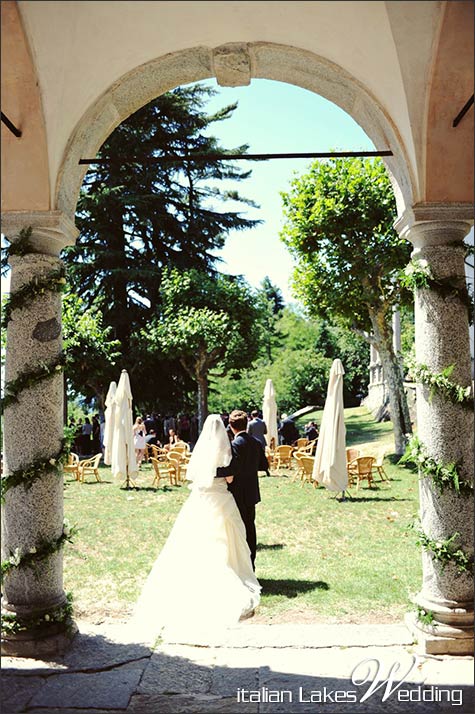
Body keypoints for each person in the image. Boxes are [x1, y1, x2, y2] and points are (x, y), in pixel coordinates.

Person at [131, 414, 260, 644]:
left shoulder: (200, 451)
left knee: (196, 537)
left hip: (201, 499)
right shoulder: (226, 450)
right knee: (227, 537)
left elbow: (195, 474)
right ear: (224, 429)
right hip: (221, 498)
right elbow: (230, 478)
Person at [217, 409, 269, 569]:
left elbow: (232, 469)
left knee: (239, 529)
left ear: (231, 426)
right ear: (246, 424)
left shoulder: (235, 445)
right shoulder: (256, 443)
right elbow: (264, 465)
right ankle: (250, 562)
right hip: (251, 491)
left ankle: (243, 564)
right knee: (250, 527)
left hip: (237, 492)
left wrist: (214, 471)